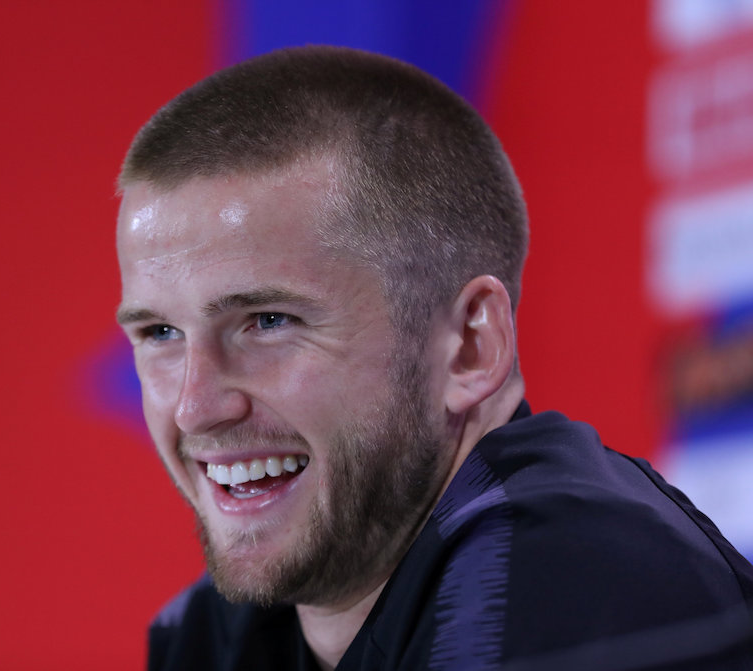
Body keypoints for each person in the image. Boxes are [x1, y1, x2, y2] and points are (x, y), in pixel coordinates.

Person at [114, 45, 753, 670]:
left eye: (269, 322)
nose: (196, 408)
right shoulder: (210, 632)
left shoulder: (582, 600)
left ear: (471, 347)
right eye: (160, 334)